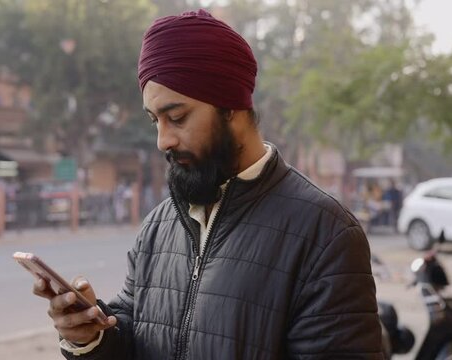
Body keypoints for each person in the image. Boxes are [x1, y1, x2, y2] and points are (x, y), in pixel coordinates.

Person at [32, 9, 382, 359]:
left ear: (230, 106)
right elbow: (137, 340)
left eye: (177, 117)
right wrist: (91, 337)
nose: (162, 140)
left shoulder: (326, 234)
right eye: (155, 120)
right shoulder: (158, 226)